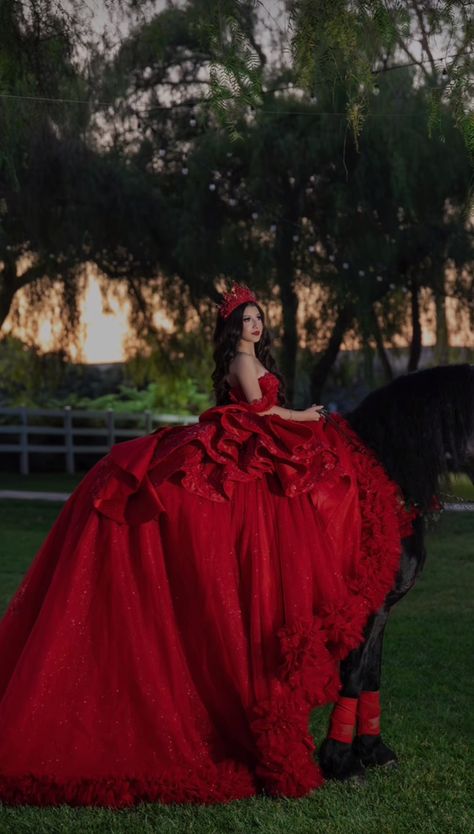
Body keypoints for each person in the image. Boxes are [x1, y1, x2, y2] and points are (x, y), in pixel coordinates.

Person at [0, 283, 412, 808]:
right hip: (253, 441)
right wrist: (306, 417)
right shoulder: (243, 363)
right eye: (247, 320)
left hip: (258, 444)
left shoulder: (252, 359)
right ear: (233, 329)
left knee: (320, 484)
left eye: (259, 318)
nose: (256, 326)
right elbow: (262, 416)